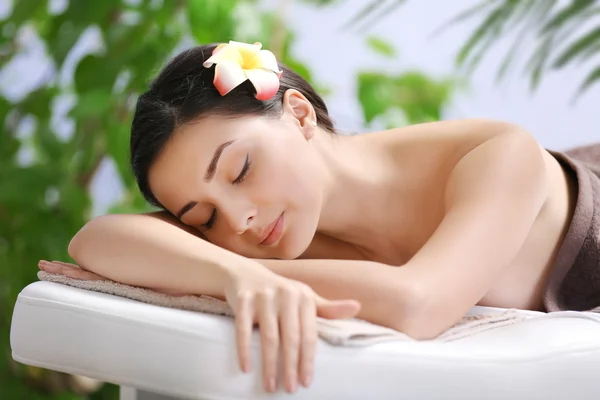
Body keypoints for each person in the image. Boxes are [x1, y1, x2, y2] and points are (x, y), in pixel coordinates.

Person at [38, 40, 600, 394]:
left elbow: (416, 303)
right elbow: (99, 239)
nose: (239, 224)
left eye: (240, 170)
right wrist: (234, 277)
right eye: (201, 218)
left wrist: (220, 274)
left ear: (299, 113)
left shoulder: (500, 155)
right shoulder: (262, 242)